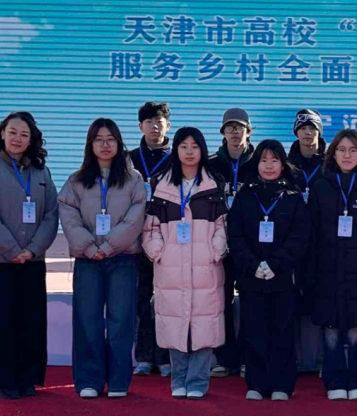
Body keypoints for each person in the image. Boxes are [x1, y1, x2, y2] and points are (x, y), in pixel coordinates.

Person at [0, 111, 59, 400]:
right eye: (12, 132)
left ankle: (27, 378)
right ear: (2, 134)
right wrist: (11, 249)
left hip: (32, 260)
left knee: (30, 320)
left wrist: (33, 249)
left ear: (32, 139)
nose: (17, 139)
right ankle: (4, 380)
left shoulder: (41, 172)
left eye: (24, 134)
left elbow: (51, 214)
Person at [59, 118, 146, 399]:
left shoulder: (133, 179)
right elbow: (69, 217)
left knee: (121, 320)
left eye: (111, 139)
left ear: (119, 143)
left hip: (123, 259)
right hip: (88, 260)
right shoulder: (75, 181)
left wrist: (108, 247)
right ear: (90, 144)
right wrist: (88, 247)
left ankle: (119, 381)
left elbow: (135, 219)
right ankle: (89, 380)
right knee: (88, 319)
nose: (105, 144)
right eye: (99, 139)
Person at [142, 127, 229, 399]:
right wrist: (159, 253)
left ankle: (198, 382)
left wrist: (215, 251)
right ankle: (178, 381)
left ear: (203, 150)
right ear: (176, 150)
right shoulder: (161, 185)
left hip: (206, 266)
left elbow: (223, 225)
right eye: (184, 146)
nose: (189, 152)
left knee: (205, 323)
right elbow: (150, 227)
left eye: (195, 146)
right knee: (174, 321)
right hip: (171, 267)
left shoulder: (214, 184)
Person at [307, 129, 357, 401]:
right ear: (333, 154)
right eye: (341, 150)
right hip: (327, 271)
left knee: (356, 328)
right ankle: (334, 381)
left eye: (353, 150)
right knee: (330, 328)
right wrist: (312, 272)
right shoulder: (320, 187)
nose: (347, 155)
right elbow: (311, 234)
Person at [228, 140, 311, 401]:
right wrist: (253, 265)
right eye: (264, 160)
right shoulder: (245, 196)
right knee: (254, 330)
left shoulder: (294, 198)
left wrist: (275, 264)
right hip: (251, 277)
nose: (269, 165)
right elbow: (235, 235)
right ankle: (256, 383)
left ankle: (282, 385)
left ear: (283, 164)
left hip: (284, 277)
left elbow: (300, 238)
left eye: (274, 160)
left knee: (283, 331)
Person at [207, 108, 255, 379]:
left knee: (251, 301)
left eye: (240, 127)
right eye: (230, 127)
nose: (235, 132)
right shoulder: (211, 164)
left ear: (249, 131)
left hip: (252, 243)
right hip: (219, 242)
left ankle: (249, 358)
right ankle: (225, 359)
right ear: (223, 132)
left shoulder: (261, 162)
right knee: (219, 300)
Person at [129, 102, 173, 378]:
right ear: (140, 126)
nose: (155, 126)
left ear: (168, 125)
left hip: (170, 237)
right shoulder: (128, 159)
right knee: (141, 297)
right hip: (136, 237)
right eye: (149, 121)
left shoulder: (178, 157)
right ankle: (144, 356)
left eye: (159, 121)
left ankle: (166, 356)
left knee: (167, 298)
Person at [286, 109, 327, 374]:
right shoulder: (286, 163)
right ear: (296, 132)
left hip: (323, 240)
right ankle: (294, 360)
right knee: (291, 302)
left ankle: (324, 361)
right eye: (303, 128)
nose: (308, 132)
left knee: (322, 299)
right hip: (292, 239)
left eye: (312, 128)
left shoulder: (331, 162)